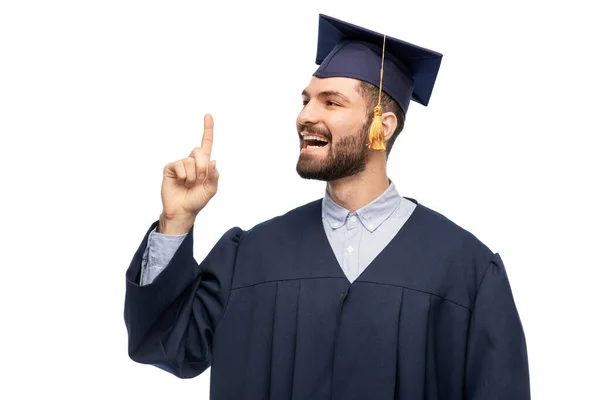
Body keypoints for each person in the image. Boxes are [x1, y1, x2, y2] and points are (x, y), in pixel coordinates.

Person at [124, 13, 530, 400]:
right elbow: (166, 345)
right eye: (306, 100)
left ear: (382, 126)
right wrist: (176, 220)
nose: (305, 115)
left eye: (330, 102)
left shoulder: (466, 271)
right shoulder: (250, 255)